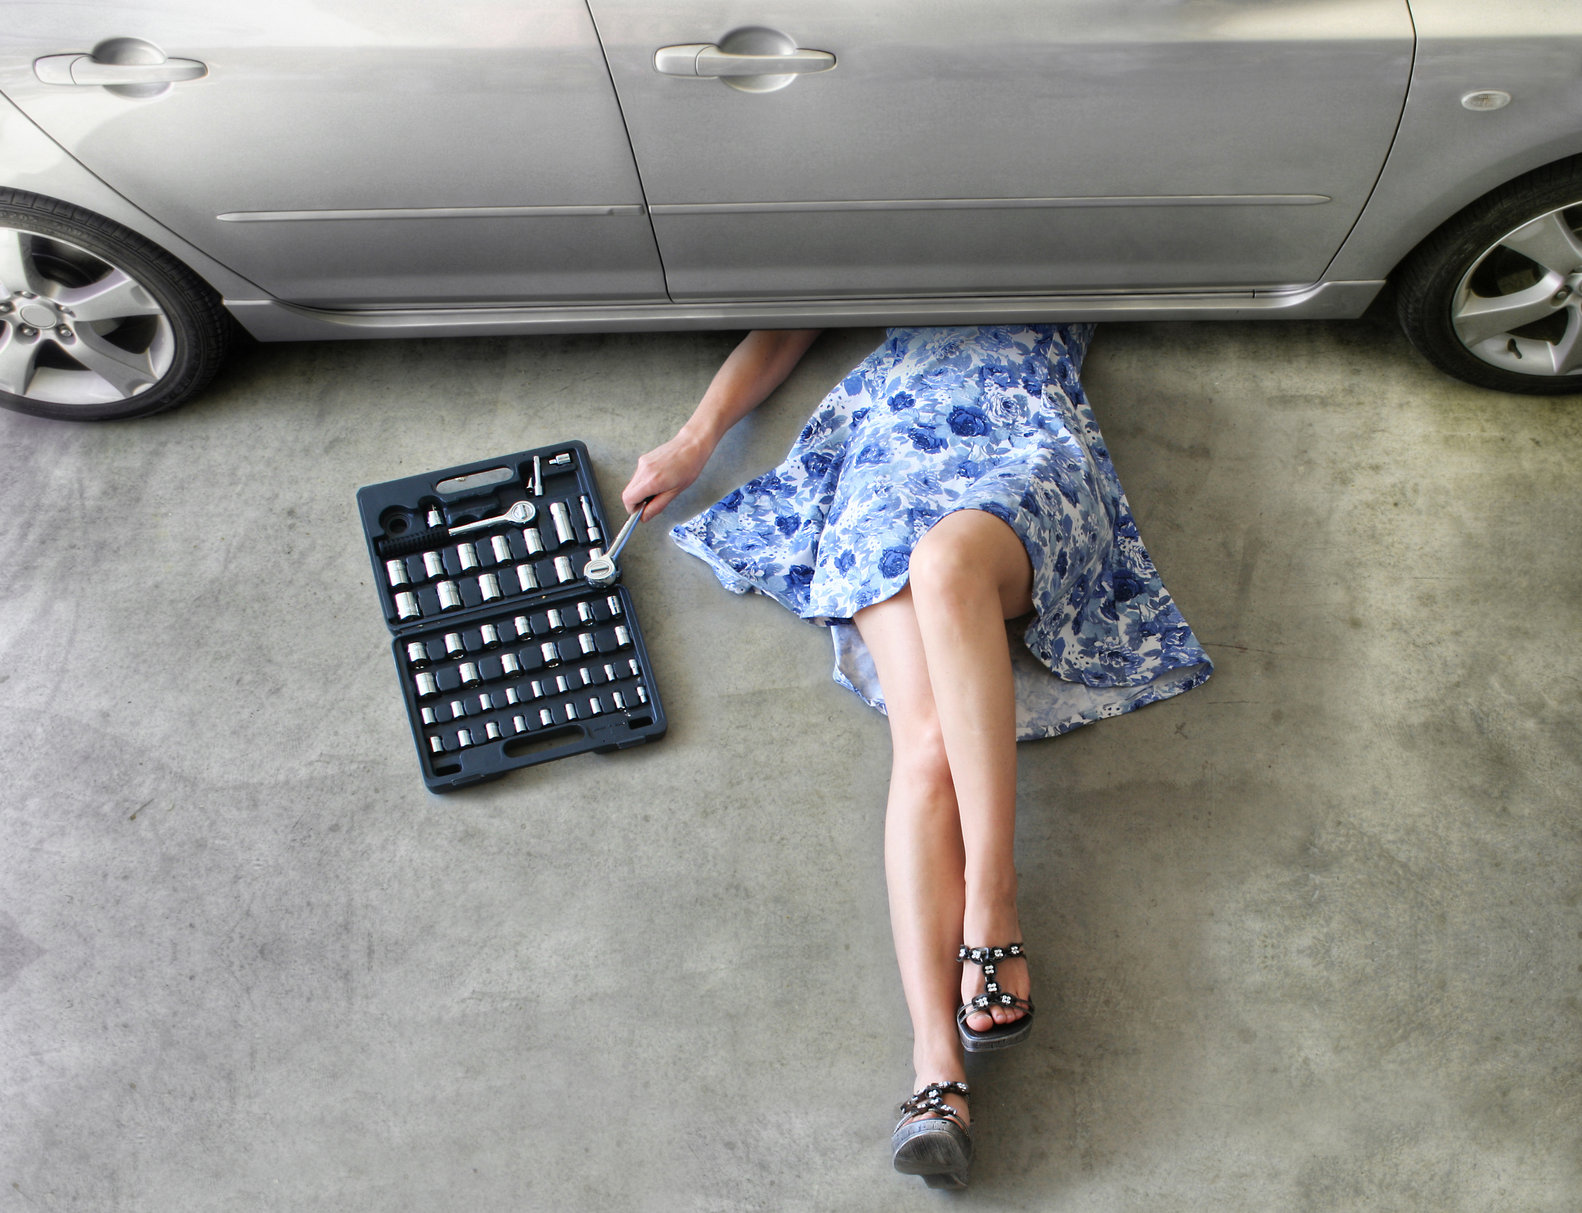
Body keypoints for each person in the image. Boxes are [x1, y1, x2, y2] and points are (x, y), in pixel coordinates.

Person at [621, 325, 1211, 1189]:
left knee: (946, 568)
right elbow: (792, 313)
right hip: (888, 445)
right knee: (924, 740)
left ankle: (993, 909)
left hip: (1022, 429)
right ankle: (936, 1075)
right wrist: (692, 440)